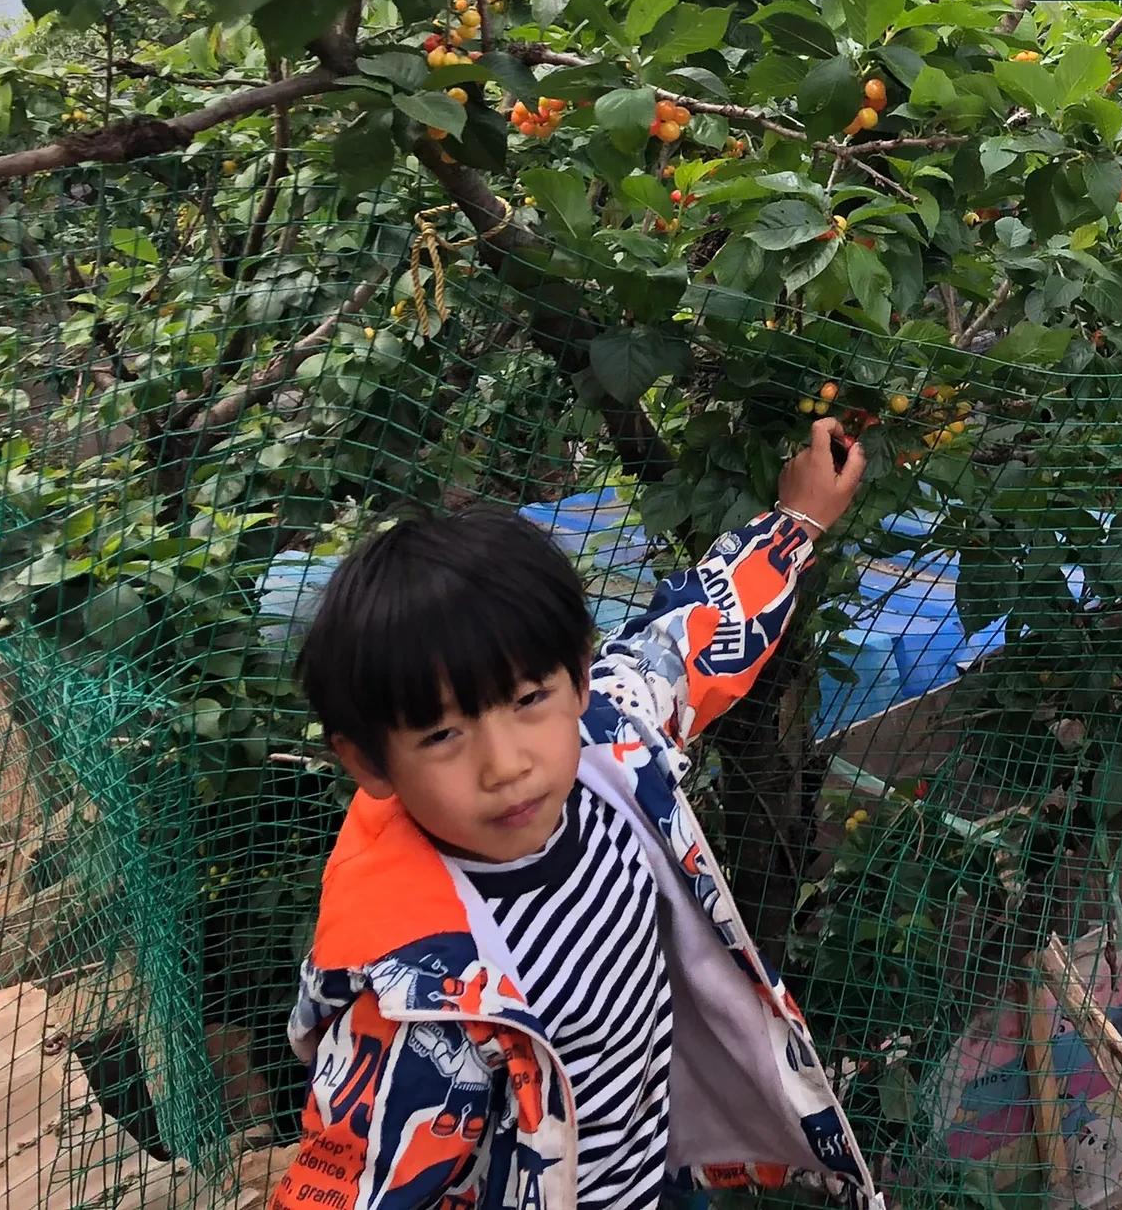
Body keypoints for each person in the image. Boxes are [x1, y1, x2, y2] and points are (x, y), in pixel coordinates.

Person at [267, 418, 881, 1210]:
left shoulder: (607, 750)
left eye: (528, 700)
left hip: (660, 1171)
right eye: (445, 734)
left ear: (580, 682)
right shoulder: (414, 1005)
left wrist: (796, 522)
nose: (506, 762)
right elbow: (349, 1183)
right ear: (368, 764)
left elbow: (693, 633)